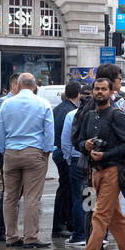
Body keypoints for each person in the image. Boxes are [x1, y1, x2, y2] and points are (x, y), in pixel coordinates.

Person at [66, 66, 125, 250]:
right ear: (92, 92)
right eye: (97, 89)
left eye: (103, 89)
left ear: (111, 93)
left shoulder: (117, 115)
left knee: (99, 215)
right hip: (93, 172)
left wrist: (106, 154)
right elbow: (79, 141)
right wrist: (87, 146)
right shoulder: (90, 115)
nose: (99, 92)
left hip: (112, 171)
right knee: (114, 217)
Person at [0, 72, 55, 248]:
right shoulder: (43, 103)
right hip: (34, 152)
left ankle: (11, 236)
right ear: (34, 86)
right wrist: (47, 151)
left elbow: (0, 131)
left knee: (10, 197)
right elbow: (49, 131)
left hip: (11, 152)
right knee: (31, 197)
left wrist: (3, 150)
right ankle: (31, 238)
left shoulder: (7, 103)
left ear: (18, 86)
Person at [51, 82, 82, 240]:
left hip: (58, 150)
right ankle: (60, 225)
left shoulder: (58, 108)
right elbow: (68, 137)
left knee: (66, 189)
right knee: (66, 190)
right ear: (78, 95)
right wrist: (68, 156)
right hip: (64, 152)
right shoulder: (71, 111)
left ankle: (67, 222)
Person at [59, 98, 88, 247]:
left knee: (78, 198)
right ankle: (94, 234)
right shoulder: (98, 114)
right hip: (93, 160)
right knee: (90, 197)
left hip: (77, 159)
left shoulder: (72, 114)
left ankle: (80, 234)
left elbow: (65, 140)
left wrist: (69, 158)